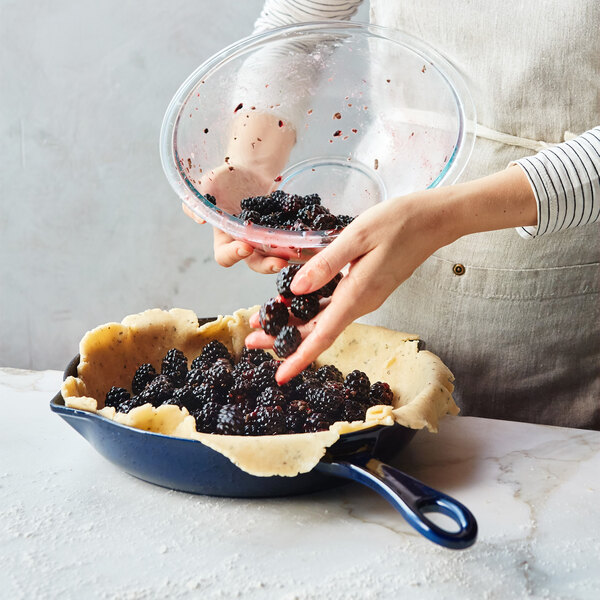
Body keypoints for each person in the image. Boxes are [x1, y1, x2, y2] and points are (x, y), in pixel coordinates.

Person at [189, 0, 600, 429]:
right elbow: (300, 19)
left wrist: (442, 217)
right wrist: (252, 163)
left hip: (555, 277)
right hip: (377, 213)